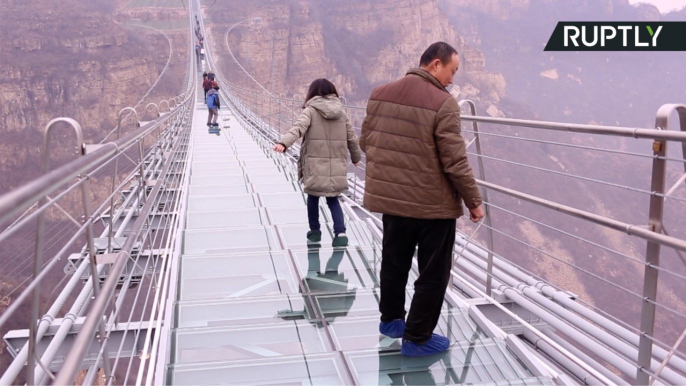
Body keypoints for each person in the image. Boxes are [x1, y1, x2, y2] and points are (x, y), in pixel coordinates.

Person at [360, 42, 485, 357]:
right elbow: (455, 162)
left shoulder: (379, 94)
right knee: (433, 272)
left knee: (394, 262)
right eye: (452, 71)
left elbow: (366, 142)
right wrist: (474, 201)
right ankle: (417, 338)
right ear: (436, 64)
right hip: (432, 206)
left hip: (392, 200)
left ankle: (391, 322)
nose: (452, 79)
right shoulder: (444, 104)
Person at [273, 79, 361, 248]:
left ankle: (315, 231)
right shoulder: (341, 113)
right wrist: (356, 157)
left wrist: (284, 143)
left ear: (312, 92)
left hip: (314, 165)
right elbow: (351, 138)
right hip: (336, 165)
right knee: (333, 199)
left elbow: (298, 128)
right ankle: (340, 232)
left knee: (313, 198)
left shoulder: (311, 110)